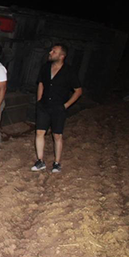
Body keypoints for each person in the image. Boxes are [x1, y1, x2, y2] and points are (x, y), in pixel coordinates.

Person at [32, 44, 82, 173]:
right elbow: (41, 84)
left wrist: (65, 105)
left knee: (57, 135)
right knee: (39, 132)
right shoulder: (45, 68)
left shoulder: (69, 71)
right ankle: (40, 161)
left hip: (58, 107)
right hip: (44, 105)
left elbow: (78, 91)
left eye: (54, 51)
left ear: (62, 56)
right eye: (51, 50)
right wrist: (39, 101)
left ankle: (57, 162)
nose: (50, 52)